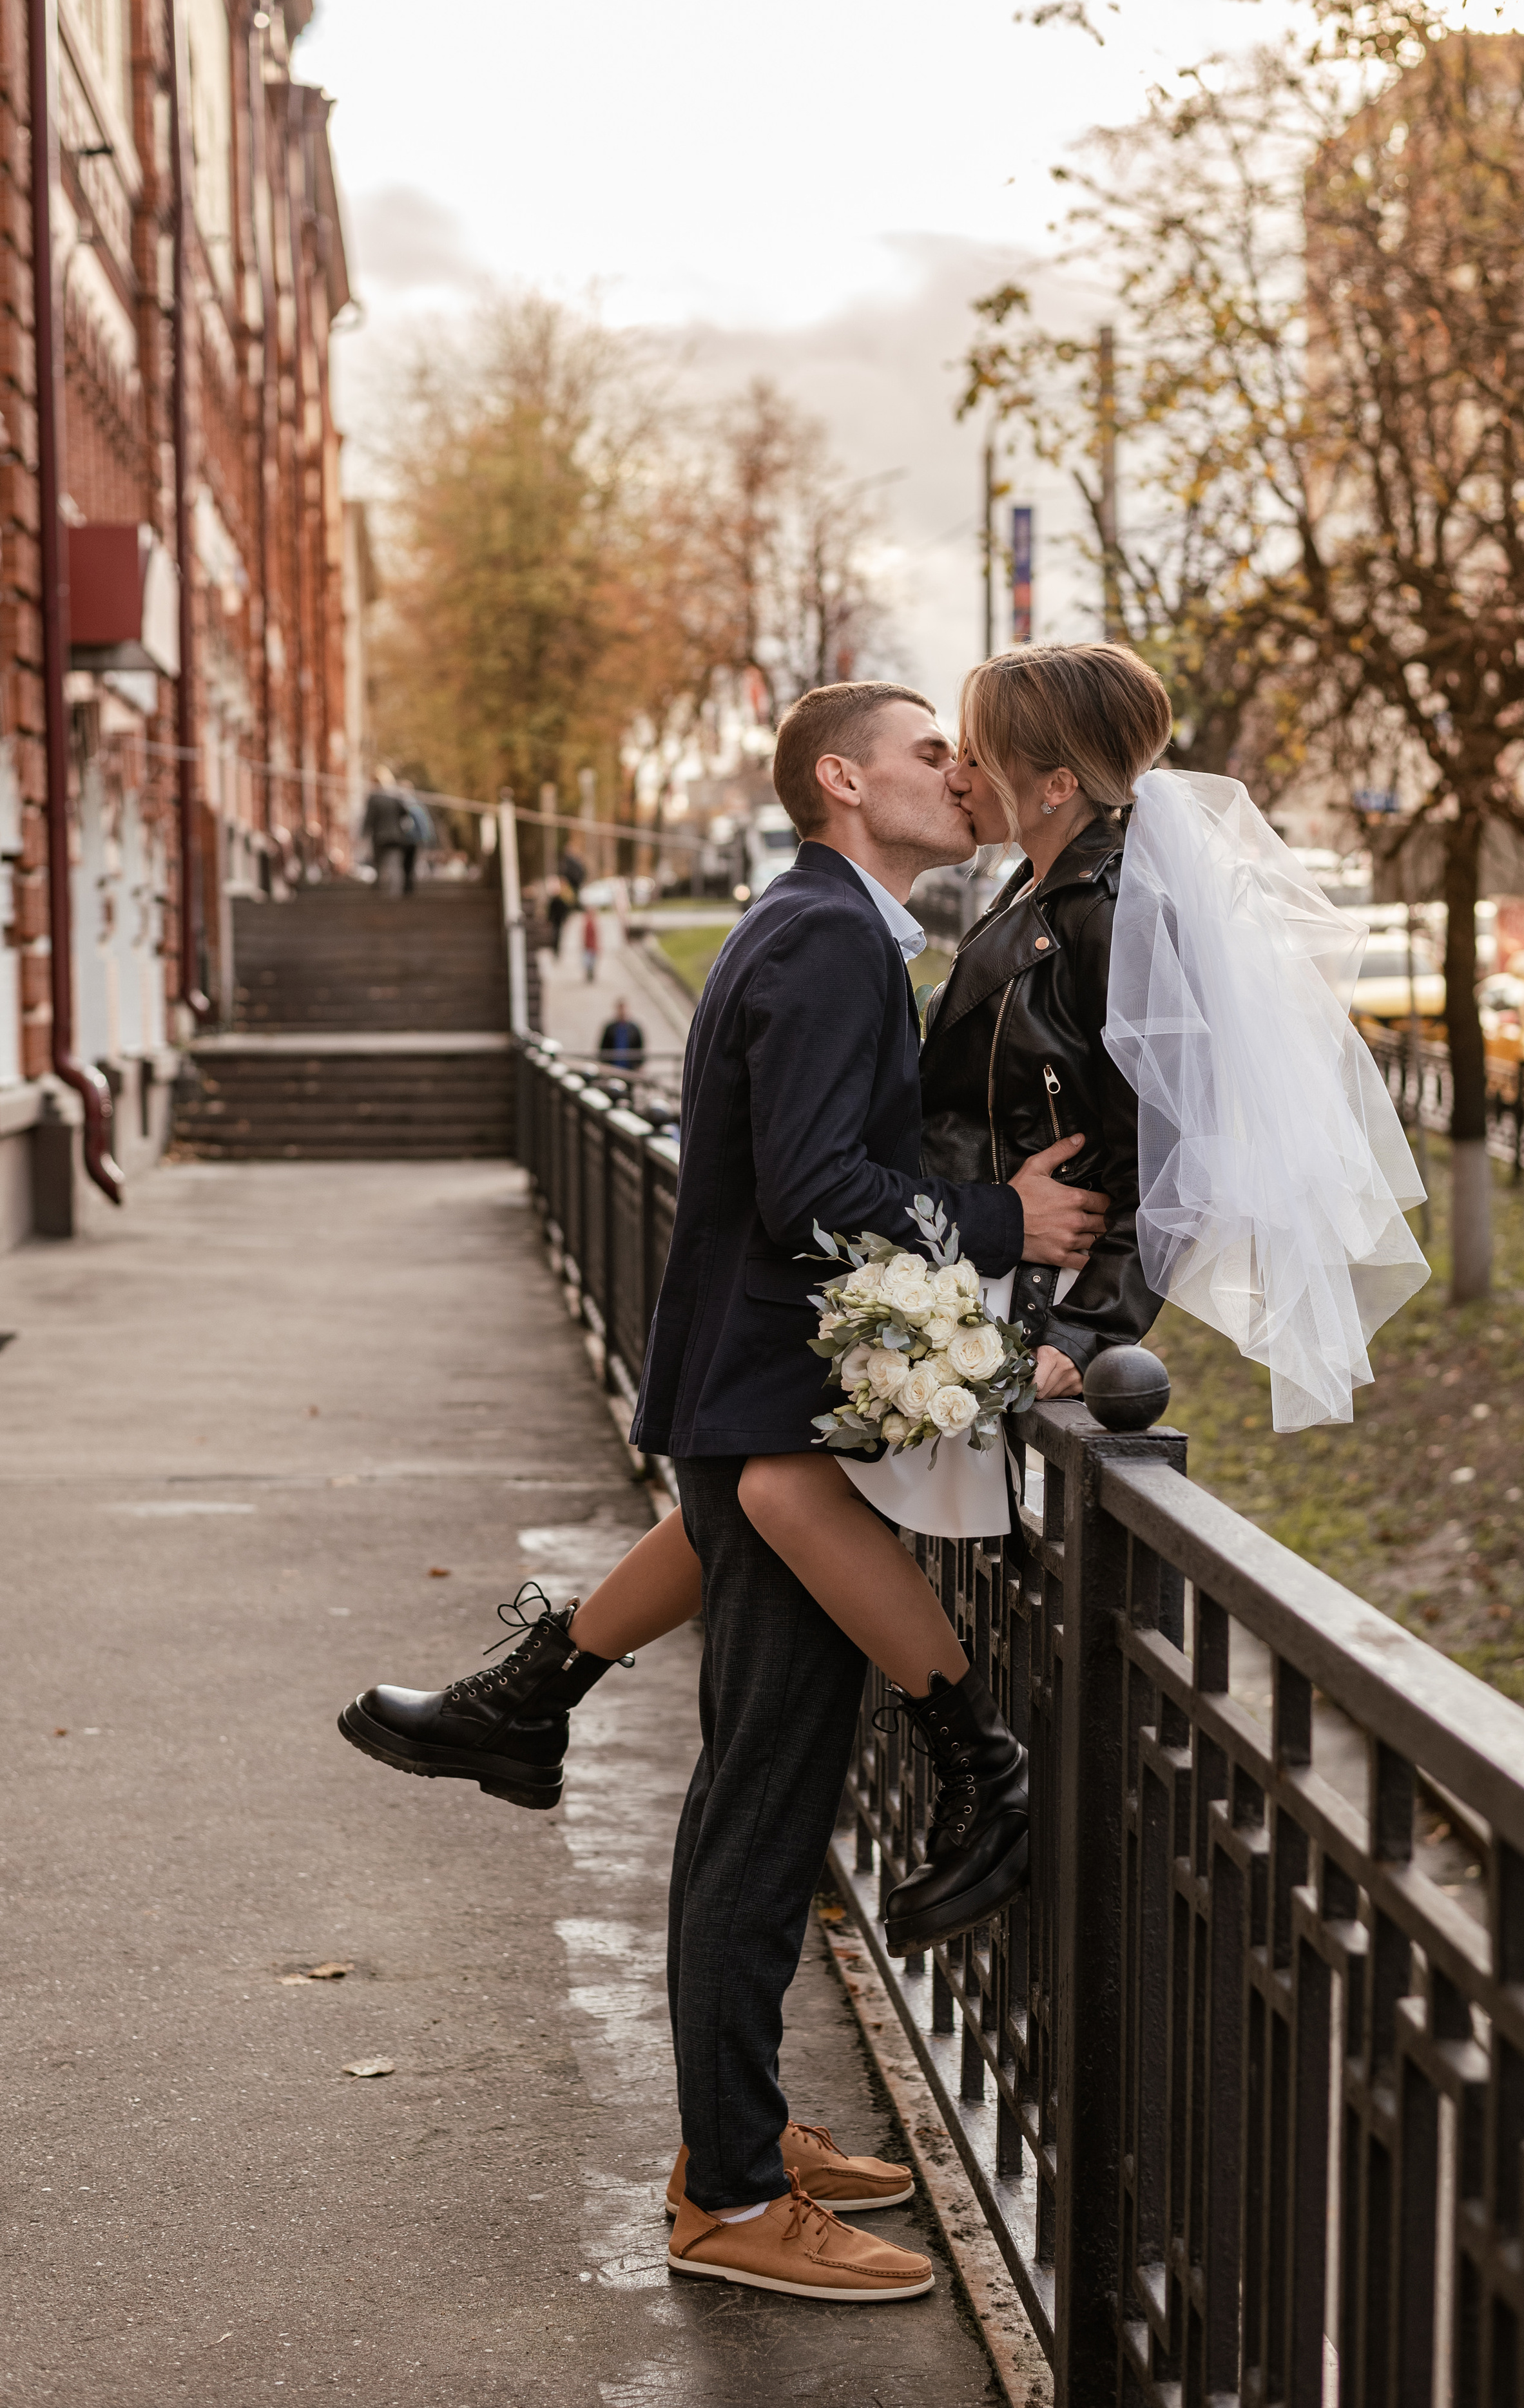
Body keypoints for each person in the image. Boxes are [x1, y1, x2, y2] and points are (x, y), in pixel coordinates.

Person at [342, 678, 1112, 2302]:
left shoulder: (819, 920)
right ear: (841, 779)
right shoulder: (831, 938)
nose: (955, 771)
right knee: (756, 1814)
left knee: (750, 1794)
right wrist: (1000, 1223)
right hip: (771, 1396)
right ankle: (732, 2192)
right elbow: (818, 1189)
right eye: (925, 750)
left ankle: (537, 1713)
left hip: (745, 1387)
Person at [362, 765, 423, 897]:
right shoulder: (396, 795)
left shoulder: (374, 798)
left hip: (380, 837)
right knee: (394, 865)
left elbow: (369, 818)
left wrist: (363, 834)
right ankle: (395, 893)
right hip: (396, 836)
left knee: (379, 865)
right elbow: (407, 813)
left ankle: (381, 891)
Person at [597, 999, 646, 1071]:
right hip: (612, 1066)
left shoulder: (634, 1029)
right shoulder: (610, 1028)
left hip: (630, 1067)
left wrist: (639, 1065)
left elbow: (640, 1047)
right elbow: (603, 1047)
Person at [581, 908, 600, 983]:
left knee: (590, 962)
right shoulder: (590, 924)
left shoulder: (589, 923)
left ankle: (590, 975)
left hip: (590, 946)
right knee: (590, 962)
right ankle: (590, 975)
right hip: (590, 946)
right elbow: (589, 936)